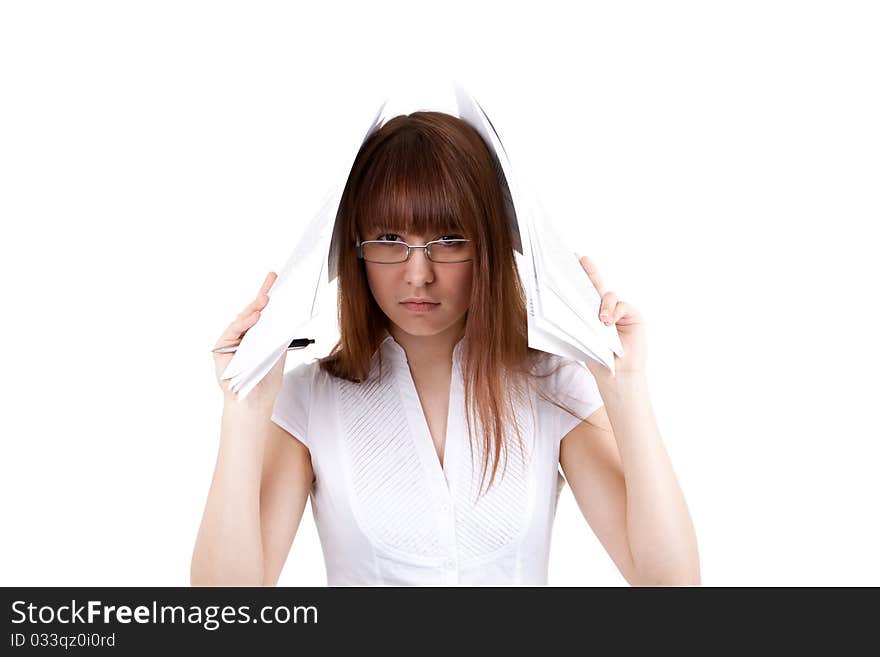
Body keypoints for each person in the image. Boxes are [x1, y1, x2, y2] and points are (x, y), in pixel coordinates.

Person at [191, 111, 700, 586]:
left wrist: (625, 386)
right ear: (356, 250)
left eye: (449, 240)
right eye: (390, 238)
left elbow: (671, 586)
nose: (418, 275)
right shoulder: (309, 399)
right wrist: (243, 409)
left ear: (489, 248)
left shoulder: (550, 386)